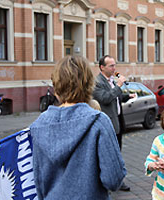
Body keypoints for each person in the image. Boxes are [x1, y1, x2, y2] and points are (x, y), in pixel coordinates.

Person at [30, 56, 126, 200]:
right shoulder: (99, 122)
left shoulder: (39, 125)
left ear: (56, 85)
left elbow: (39, 180)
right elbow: (113, 179)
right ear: (88, 84)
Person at [93, 55, 134, 191]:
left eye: (114, 65)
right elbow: (105, 98)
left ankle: (117, 179)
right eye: (111, 66)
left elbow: (116, 97)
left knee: (118, 152)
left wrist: (128, 96)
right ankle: (107, 180)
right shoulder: (97, 82)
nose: (114, 68)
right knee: (108, 154)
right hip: (107, 124)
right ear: (102, 67)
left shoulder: (111, 80)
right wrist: (119, 85)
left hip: (117, 120)